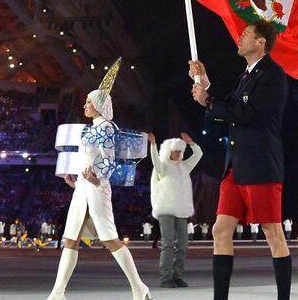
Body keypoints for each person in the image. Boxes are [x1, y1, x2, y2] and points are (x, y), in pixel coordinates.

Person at [189, 20, 291, 300]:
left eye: (245, 35)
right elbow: (232, 107)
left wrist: (209, 101)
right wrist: (206, 85)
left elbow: (247, 113)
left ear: (261, 43)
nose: (239, 38)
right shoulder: (246, 75)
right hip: (235, 166)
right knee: (220, 229)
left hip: (261, 166)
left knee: (272, 232)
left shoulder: (272, 75)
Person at [47, 68, 151, 300]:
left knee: (110, 240)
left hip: (96, 188)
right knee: (70, 239)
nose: (84, 105)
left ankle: (139, 288)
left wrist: (96, 179)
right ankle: (57, 293)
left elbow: (109, 159)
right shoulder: (94, 127)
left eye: (88, 102)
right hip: (84, 188)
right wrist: (77, 182)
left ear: (99, 105)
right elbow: (89, 159)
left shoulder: (105, 127)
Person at [149, 132, 203, 288]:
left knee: (183, 244)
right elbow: (155, 162)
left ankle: (178, 276)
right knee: (167, 244)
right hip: (166, 209)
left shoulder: (184, 166)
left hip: (181, 209)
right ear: (168, 151)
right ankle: (166, 278)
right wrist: (153, 145)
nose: (178, 153)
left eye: (180, 151)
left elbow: (199, 154)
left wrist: (192, 144)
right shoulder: (163, 166)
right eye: (175, 151)